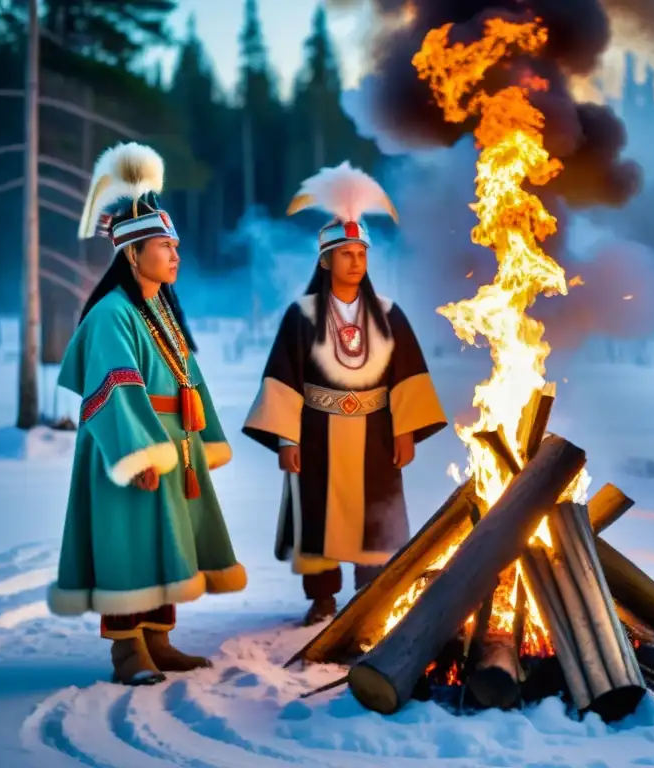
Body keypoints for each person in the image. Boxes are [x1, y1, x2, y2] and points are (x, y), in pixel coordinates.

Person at [47, 142, 247, 685]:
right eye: (165, 245)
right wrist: (138, 452)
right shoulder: (114, 314)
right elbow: (115, 386)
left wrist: (199, 439)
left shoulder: (161, 309)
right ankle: (127, 653)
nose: (176, 255)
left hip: (170, 441)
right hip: (128, 446)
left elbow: (190, 379)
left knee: (165, 538)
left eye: (176, 245)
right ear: (133, 253)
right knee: (127, 542)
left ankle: (158, 641)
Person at [243, 162, 448, 626]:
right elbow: (282, 377)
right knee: (317, 515)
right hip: (316, 433)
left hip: (376, 432)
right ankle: (322, 599)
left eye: (362, 253)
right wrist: (286, 438)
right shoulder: (302, 315)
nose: (356, 261)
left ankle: (375, 593)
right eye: (346, 253)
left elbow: (408, 376)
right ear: (325, 260)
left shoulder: (390, 315)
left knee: (378, 514)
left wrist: (407, 430)